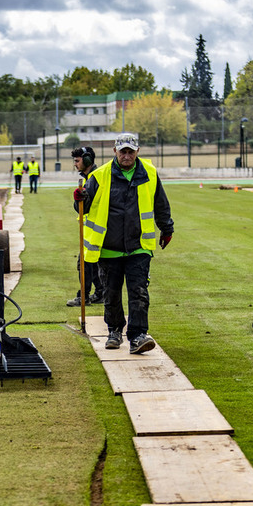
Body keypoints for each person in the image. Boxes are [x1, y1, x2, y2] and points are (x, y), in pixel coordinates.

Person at [73, 133, 173, 354]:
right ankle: (114, 330)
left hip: (139, 247)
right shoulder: (99, 176)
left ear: (137, 152)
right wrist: (79, 198)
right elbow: (83, 207)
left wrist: (167, 229)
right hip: (109, 248)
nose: (126, 155)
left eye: (130, 151)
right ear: (115, 152)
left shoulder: (150, 173)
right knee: (112, 293)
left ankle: (138, 336)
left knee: (138, 293)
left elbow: (161, 204)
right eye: (123, 151)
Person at [67, 146, 104, 307]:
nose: (75, 164)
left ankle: (83, 296)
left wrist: (78, 200)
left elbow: (85, 207)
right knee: (93, 265)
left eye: (77, 160)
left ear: (87, 159)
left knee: (84, 264)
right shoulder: (94, 176)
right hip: (94, 229)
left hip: (94, 230)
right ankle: (100, 293)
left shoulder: (94, 178)